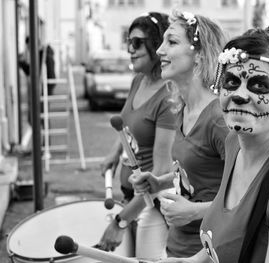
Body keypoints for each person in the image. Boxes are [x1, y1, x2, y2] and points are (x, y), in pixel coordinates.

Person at [162, 26, 269, 263]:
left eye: (260, 85)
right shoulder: (235, 143)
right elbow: (225, 240)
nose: (240, 95)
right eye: (231, 82)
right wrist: (189, 261)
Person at [129, 10, 232, 258]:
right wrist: (160, 181)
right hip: (177, 246)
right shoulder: (182, 108)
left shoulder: (219, 119)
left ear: (199, 55)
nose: (159, 51)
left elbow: (249, 195)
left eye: (171, 42)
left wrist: (195, 212)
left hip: (210, 252)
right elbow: (195, 172)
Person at [98, 12, 177, 260]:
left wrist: (120, 221)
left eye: (137, 43)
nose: (130, 50)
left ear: (156, 44)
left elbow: (159, 170)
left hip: (149, 204)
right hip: (130, 197)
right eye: (128, 42)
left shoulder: (168, 97)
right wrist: (114, 152)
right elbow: (128, 126)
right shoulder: (138, 81)